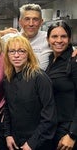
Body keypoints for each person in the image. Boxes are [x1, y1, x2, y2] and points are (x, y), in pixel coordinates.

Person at [3, 35, 57, 150]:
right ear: (7, 55)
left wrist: (32, 143)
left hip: (38, 143)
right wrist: (8, 134)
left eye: (21, 51)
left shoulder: (40, 78)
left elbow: (49, 117)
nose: (16, 55)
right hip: (16, 141)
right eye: (12, 51)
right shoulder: (8, 79)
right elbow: (8, 109)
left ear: (29, 54)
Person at [45, 21, 77, 150]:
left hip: (68, 129)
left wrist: (72, 135)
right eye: (54, 36)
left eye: (63, 36)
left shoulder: (74, 61)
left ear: (69, 39)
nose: (59, 40)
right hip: (54, 127)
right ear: (48, 39)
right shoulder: (51, 59)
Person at [2, 3, 52, 70]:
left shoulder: (49, 38)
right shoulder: (9, 39)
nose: (31, 24)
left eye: (35, 19)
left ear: (41, 22)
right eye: (27, 19)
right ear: (20, 22)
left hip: (40, 79)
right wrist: (0, 33)